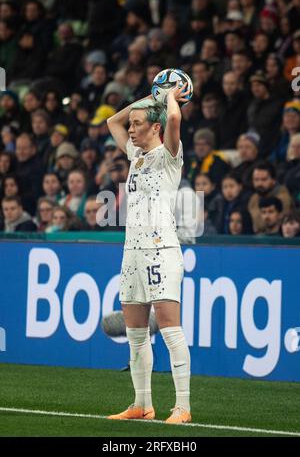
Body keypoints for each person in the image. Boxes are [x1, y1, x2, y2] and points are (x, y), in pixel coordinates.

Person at [106, 84, 192, 424]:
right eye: (133, 124)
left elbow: (173, 116)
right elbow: (113, 120)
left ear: (155, 128)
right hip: (132, 253)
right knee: (135, 333)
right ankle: (142, 404)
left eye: (137, 123)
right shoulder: (135, 156)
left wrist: (169, 96)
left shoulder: (170, 155)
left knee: (170, 329)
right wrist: (147, 99)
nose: (130, 128)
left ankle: (182, 407)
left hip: (162, 251)